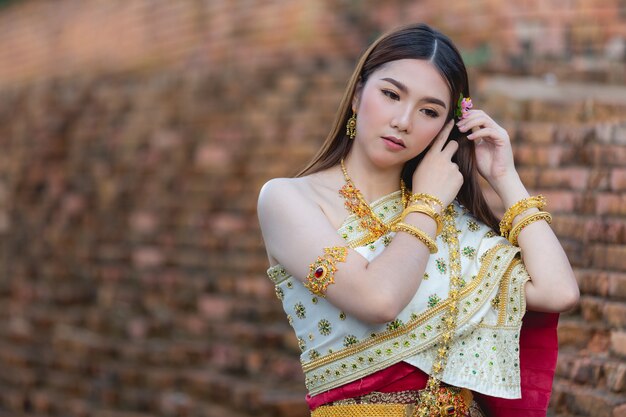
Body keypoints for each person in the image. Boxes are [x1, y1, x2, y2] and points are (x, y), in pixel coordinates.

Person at [257, 23, 579, 417]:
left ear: (445, 128)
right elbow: (379, 299)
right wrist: (426, 203)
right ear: (358, 95)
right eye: (391, 94)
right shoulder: (289, 199)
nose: (404, 120)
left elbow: (558, 291)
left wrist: (504, 177)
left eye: (429, 111)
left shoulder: (451, 222)